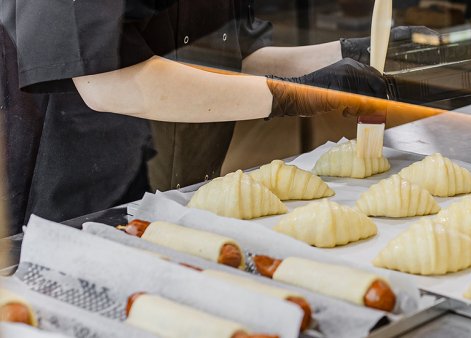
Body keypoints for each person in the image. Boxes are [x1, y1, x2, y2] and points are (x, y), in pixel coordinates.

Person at [0, 0, 407, 235]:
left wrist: (350, 53)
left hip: (166, 196)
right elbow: (107, 83)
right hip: (56, 202)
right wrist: (293, 95)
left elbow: (238, 59)